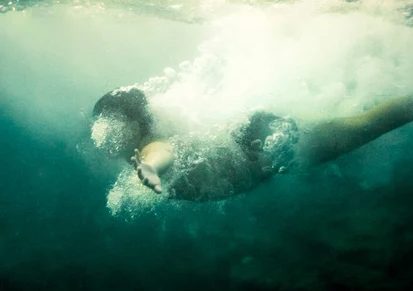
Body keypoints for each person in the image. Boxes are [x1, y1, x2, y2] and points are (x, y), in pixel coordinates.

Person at [92, 87, 413, 202]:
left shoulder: (150, 147)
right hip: (255, 143)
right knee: (361, 123)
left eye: (107, 128)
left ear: (131, 125)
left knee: (365, 125)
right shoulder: (151, 140)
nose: (103, 139)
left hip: (256, 142)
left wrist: (151, 168)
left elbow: (163, 153)